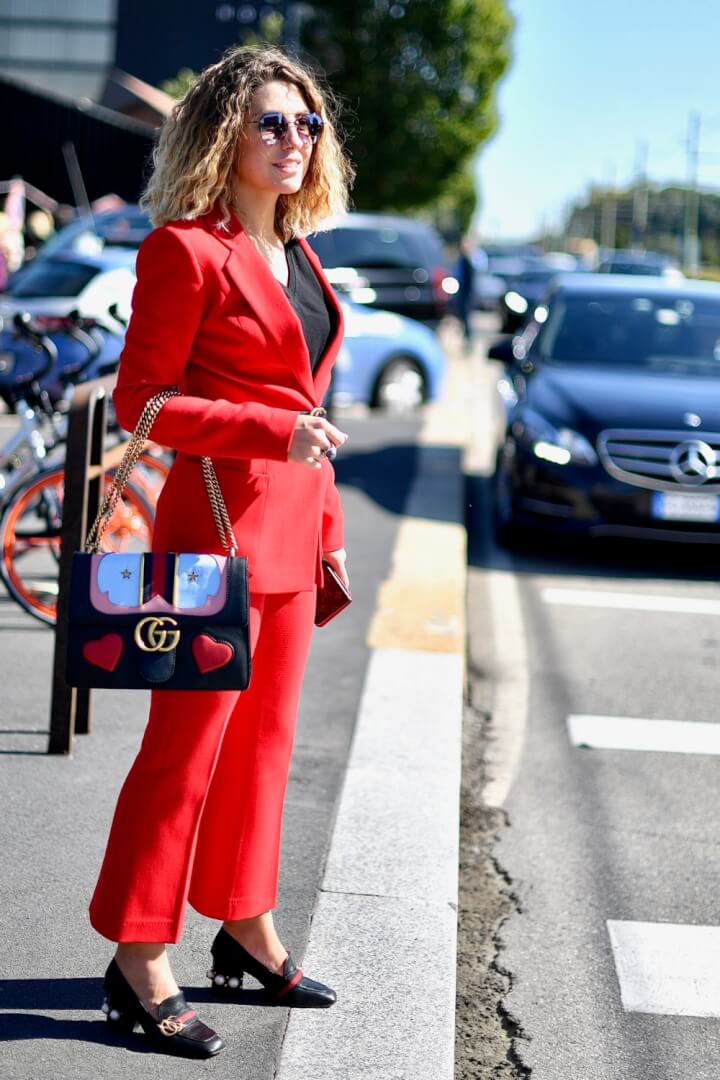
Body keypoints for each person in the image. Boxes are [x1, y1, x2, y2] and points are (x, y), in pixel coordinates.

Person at [88, 44, 355, 1059]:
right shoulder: (184, 252)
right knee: (184, 758)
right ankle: (138, 954)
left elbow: (309, 402)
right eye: (272, 124)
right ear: (224, 134)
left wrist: (328, 532)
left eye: (308, 124)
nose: (294, 141)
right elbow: (141, 403)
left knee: (264, 752)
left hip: (293, 535)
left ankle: (245, 929)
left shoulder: (299, 251)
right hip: (218, 535)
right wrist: (265, 435)